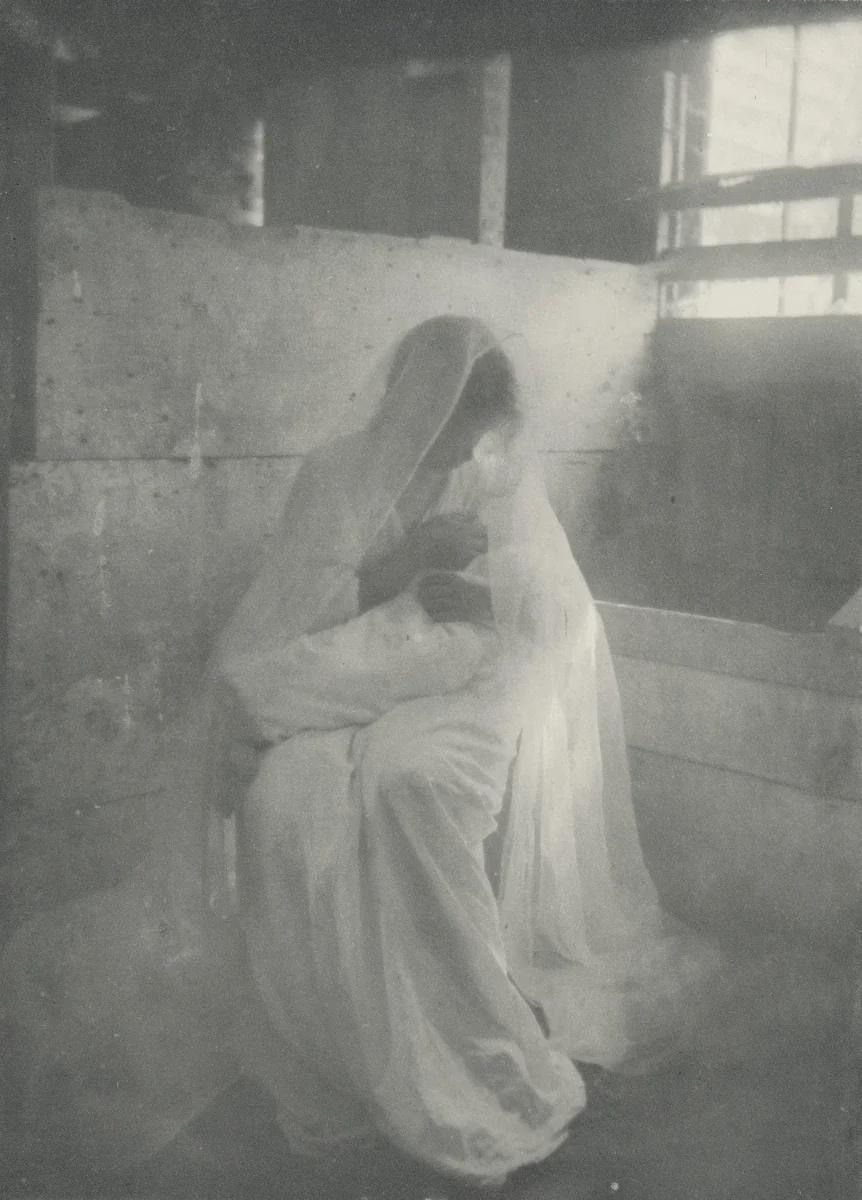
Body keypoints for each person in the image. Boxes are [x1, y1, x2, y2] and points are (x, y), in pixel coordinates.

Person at [1, 316, 715, 1191]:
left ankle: (453, 1042)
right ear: (415, 403)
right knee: (287, 803)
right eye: (450, 429)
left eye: (473, 436)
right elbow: (294, 608)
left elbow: (543, 596)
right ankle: (336, 1045)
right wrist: (406, 565)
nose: (461, 452)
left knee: (409, 786)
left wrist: (480, 595)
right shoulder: (337, 474)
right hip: (343, 670)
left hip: (444, 682)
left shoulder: (486, 473)